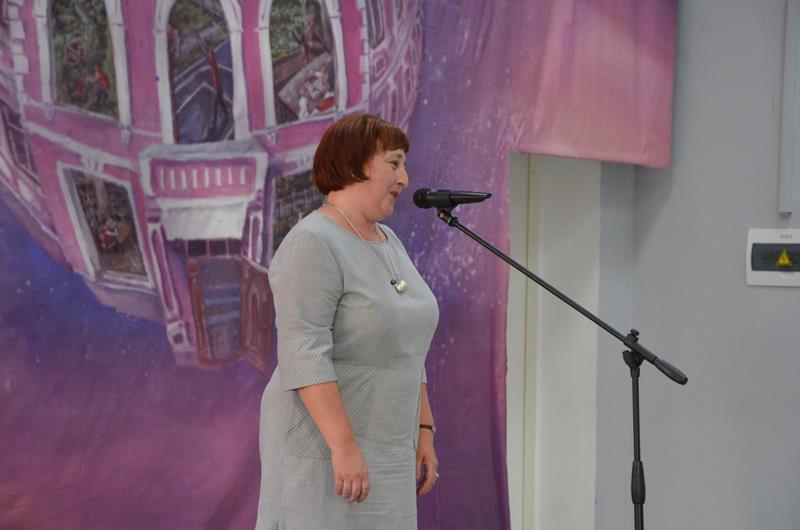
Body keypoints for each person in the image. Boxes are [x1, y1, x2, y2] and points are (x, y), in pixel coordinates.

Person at [256, 114, 440, 530]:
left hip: (390, 447)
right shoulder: (312, 241)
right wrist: (344, 448)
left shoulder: (390, 242)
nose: (405, 178)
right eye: (394, 163)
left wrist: (424, 429)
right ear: (356, 163)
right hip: (324, 446)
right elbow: (304, 353)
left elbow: (408, 347)